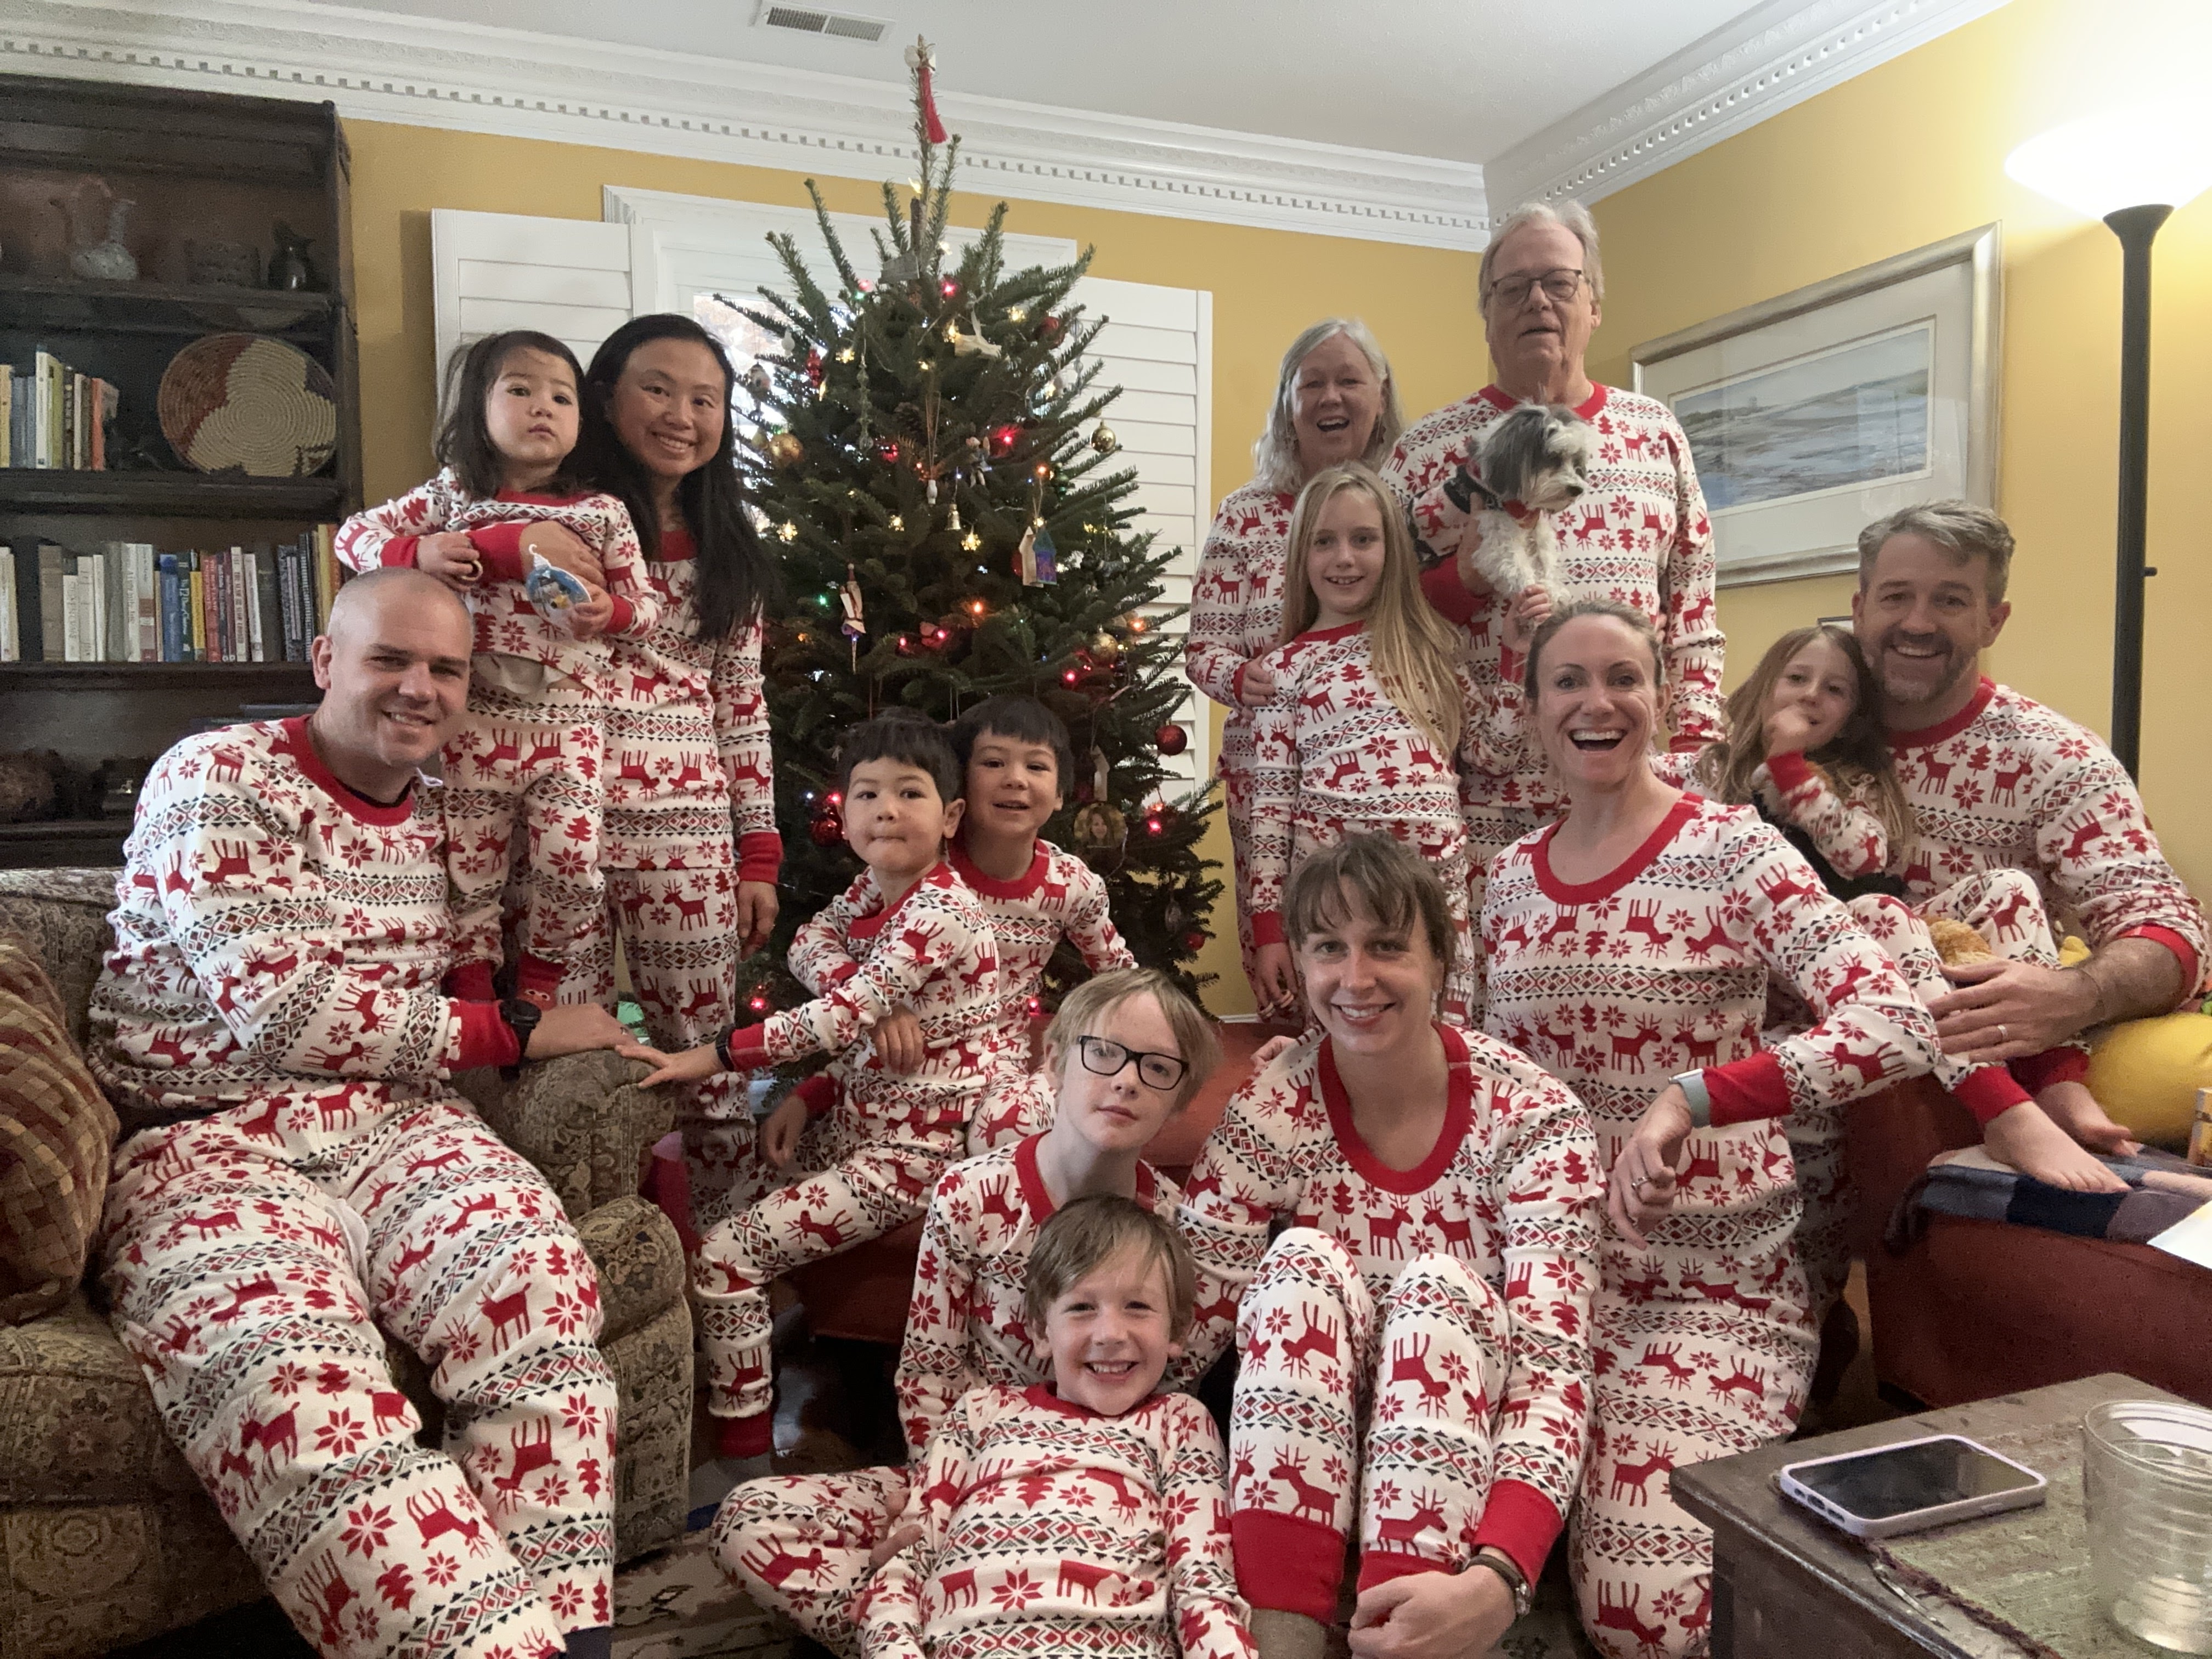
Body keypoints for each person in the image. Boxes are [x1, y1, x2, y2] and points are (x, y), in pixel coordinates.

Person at [89, 567, 635, 1659]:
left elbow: (523, 926)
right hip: (205, 1138)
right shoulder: (215, 776)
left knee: (535, 1276)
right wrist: (521, 1035)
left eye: (446, 668)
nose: (419, 688)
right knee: (297, 1380)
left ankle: (573, 1640)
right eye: (390, 658)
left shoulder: (440, 815)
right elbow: (288, 1013)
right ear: (325, 662)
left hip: (397, 1124)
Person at [1480, 600, 1946, 1658]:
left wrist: (1692, 1097)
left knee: (1643, 1616)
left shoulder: (1731, 850)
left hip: (1708, 1288)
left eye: (1622, 678)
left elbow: (1896, 1022)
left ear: (1662, 698)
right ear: (1530, 707)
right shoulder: (1506, 877)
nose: (1596, 702)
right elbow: (1480, 1068)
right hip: (1540, 1286)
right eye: (1567, 680)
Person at [1178, 833, 1604, 1659]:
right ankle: (1281, 1640)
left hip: (1461, 1472)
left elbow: (1554, 1366)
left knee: (1438, 1290)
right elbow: (1189, 1322)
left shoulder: (1534, 1117)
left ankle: (1413, 1621)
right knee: (1298, 1265)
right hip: (1305, 1455)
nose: (1356, 978)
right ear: (1299, 966)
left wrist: (1498, 1578)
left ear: (1440, 960)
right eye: (1328, 949)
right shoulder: (1273, 1108)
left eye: (1386, 946)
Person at [714, 968, 1218, 1654]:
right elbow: (927, 1371)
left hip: (1105, 1490)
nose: (1125, 1080)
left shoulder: (1174, 1227)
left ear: (1181, 1097)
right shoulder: (972, 1196)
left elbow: (1168, 1391)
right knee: (750, 1520)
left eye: (1157, 1068)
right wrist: (942, 1503)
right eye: (1103, 1052)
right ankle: (954, 1627)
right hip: (965, 1470)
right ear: (1054, 1060)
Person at [619, 712, 1001, 1461]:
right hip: (858, 1123)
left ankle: (744, 1448)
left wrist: (716, 1055)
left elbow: (834, 1021)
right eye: (865, 794)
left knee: (726, 1254)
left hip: (915, 1156)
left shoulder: (942, 910)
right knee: (727, 1205)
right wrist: (864, 1015)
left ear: (951, 815)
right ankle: (737, 1386)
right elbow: (808, 944)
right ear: (844, 811)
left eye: (910, 793)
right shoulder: (872, 889)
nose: (885, 809)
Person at [1386, 201, 1724, 1001]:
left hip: (1634, 781)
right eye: (1514, 288)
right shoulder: (1429, 450)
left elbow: (1695, 608)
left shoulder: (1655, 432)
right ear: (1487, 315)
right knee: (1488, 1001)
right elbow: (1385, 624)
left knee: (1633, 986)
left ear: (1594, 305)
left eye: (1559, 283)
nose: (1537, 302)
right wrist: (1463, 585)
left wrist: (1696, 757)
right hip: (1483, 795)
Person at [333, 330, 657, 1006]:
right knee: (468, 865)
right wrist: (416, 556)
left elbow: (647, 609)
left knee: (573, 862)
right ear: (476, 408)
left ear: (580, 422)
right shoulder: (452, 498)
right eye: (520, 390)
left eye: (561, 397)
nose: (543, 407)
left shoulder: (602, 513)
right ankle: (476, 985)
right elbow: (352, 537)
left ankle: (540, 981)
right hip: (474, 717)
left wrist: (610, 613)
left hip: (568, 722)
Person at [1851, 501, 2207, 1105]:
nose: (1917, 622)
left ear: (1995, 621)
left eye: (1951, 600)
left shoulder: (2058, 760)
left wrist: (2077, 996)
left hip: (1957, 1058)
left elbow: (2171, 931)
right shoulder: (1795, 730)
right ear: (1860, 611)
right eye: (1895, 597)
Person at [567, 314, 783, 1226]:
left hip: (688, 835)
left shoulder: (728, 546)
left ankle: (731, 1260)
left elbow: (742, 703)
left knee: (704, 1059)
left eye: (706, 399)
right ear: (607, 396)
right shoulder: (557, 518)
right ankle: (593, 1244)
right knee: (571, 1055)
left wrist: (759, 855)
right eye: (658, 388)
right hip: (560, 829)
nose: (681, 415)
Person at [853, 1195, 1256, 1659]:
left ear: (1176, 1332)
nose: (1109, 1334)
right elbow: (907, 1559)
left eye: (1138, 1307)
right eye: (1083, 1307)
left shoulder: (1180, 1421)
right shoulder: (979, 1411)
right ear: (1042, 1332)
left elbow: (1203, 1578)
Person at [1242, 461, 1521, 1027]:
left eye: (1363, 539)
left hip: (1435, 901)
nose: (1344, 558)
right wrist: (1269, 928)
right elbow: (1269, 808)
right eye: (1325, 542)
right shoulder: (1284, 670)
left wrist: (1515, 656)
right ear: (1301, 556)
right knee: (1347, 1038)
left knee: (1443, 1044)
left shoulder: (1430, 648)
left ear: (1391, 550)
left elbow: (1494, 754)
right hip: (1334, 908)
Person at [1186, 320, 1402, 994]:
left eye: (1348, 380)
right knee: (1287, 934)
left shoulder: (1402, 506)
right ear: (1288, 404)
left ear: (1380, 396)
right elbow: (1202, 647)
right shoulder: (1245, 516)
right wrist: (1240, 677)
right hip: (1267, 771)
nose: (1330, 397)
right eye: (1312, 383)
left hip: (1381, 774)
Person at [943, 694, 1136, 1152]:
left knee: (1017, 1127)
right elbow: (824, 941)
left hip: (999, 1069)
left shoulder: (1071, 883)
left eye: (1036, 767)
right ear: (961, 781)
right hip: (910, 1062)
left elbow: (1121, 978)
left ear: (1062, 792)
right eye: (993, 763)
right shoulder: (923, 868)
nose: (1015, 780)